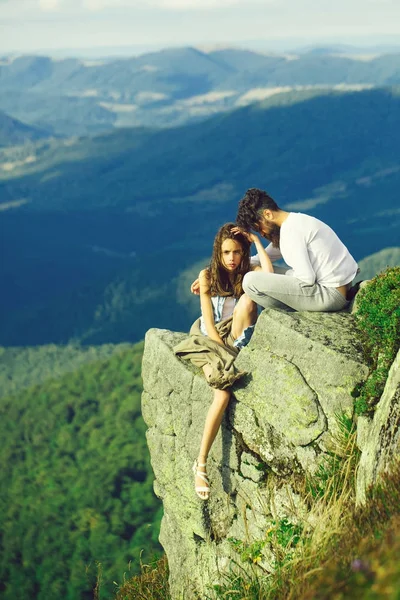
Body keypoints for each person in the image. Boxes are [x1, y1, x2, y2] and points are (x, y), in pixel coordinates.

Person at [174, 223, 273, 500]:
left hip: (235, 334)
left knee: (249, 301)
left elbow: (269, 275)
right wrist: (224, 355)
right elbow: (208, 322)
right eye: (227, 252)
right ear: (218, 252)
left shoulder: (248, 273)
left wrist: (256, 240)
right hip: (210, 340)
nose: (232, 258)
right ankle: (201, 463)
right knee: (222, 394)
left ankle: (239, 348)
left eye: (238, 252)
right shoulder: (206, 277)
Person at [235, 188, 359, 312]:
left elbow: (306, 279)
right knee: (259, 271)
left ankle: (288, 314)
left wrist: (281, 280)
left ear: (268, 214)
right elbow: (263, 259)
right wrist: (240, 261)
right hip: (342, 288)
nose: (262, 233)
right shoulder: (295, 222)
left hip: (330, 296)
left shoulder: (290, 232)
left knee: (250, 281)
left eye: (259, 228)